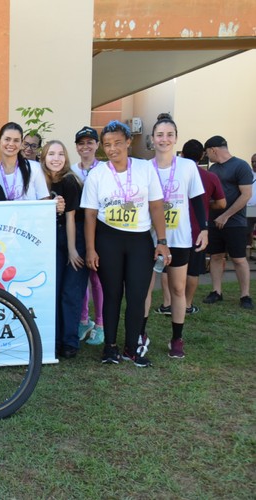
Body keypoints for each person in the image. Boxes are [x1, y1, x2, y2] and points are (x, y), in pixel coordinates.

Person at [80, 120, 170, 367]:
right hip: (108, 239)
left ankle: (133, 346)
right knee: (112, 294)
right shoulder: (97, 174)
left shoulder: (144, 169)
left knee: (137, 295)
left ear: (129, 142)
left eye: (118, 143)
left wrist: (162, 241)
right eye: (107, 144)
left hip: (140, 240)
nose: (112, 149)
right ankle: (110, 347)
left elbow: (155, 206)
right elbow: (89, 213)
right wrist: (90, 248)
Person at [142, 115, 207, 359]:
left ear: (176, 138)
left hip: (179, 238)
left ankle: (177, 339)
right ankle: (141, 334)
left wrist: (205, 228)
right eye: (160, 135)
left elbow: (197, 199)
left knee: (178, 289)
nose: (164, 139)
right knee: (144, 288)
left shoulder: (188, 166)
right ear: (152, 139)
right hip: (148, 237)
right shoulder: (144, 168)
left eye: (169, 135)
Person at [40, 140, 88, 359]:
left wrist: (72, 250)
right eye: (51, 154)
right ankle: (55, 341)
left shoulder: (70, 181)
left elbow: (70, 219)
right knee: (54, 290)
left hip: (72, 237)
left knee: (71, 291)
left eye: (60, 154)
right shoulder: (41, 181)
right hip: (50, 238)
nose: (56, 158)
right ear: (44, 157)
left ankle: (70, 341)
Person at [202, 136, 253, 309]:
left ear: (213, 150)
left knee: (239, 259)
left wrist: (226, 216)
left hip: (235, 222)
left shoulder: (241, 166)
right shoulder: (214, 169)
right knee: (216, 256)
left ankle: (245, 295)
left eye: (207, 153)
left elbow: (246, 195)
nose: (207, 157)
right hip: (214, 222)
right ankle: (217, 291)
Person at [177, 140, 226, 314]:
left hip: (175, 229)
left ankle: (168, 303)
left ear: (181, 154)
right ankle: (187, 304)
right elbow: (221, 203)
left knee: (170, 268)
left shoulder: (175, 174)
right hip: (198, 230)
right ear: (202, 156)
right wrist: (206, 205)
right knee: (193, 271)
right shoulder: (210, 177)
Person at [71, 126, 105, 346]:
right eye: (81, 143)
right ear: (76, 147)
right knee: (81, 275)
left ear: (97, 145)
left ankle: (101, 324)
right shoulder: (71, 170)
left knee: (97, 277)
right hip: (77, 227)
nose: (86, 146)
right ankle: (84, 319)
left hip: (100, 227)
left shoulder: (105, 169)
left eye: (90, 142)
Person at [0, 122, 51, 201]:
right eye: (7, 139)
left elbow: (44, 200)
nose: (11, 144)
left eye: (16, 140)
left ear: (21, 143)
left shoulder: (34, 168)